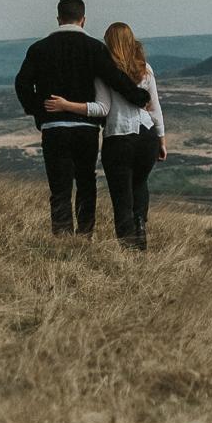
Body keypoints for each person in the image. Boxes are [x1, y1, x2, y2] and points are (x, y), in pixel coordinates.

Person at [12, 0, 151, 236]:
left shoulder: (38, 49)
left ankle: (63, 237)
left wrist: (39, 111)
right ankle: (85, 235)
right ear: (83, 20)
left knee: (60, 188)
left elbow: (22, 85)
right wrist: (139, 97)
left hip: (54, 128)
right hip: (86, 130)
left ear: (58, 19)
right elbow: (114, 79)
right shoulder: (95, 48)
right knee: (86, 183)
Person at [45, 22, 165, 251]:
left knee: (122, 198)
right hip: (147, 136)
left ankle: (129, 248)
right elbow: (155, 108)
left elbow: (102, 109)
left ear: (109, 43)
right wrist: (161, 140)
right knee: (140, 185)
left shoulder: (104, 72)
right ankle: (140, 231)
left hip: (119, 138)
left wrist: (65, 105)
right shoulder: (145, 68)